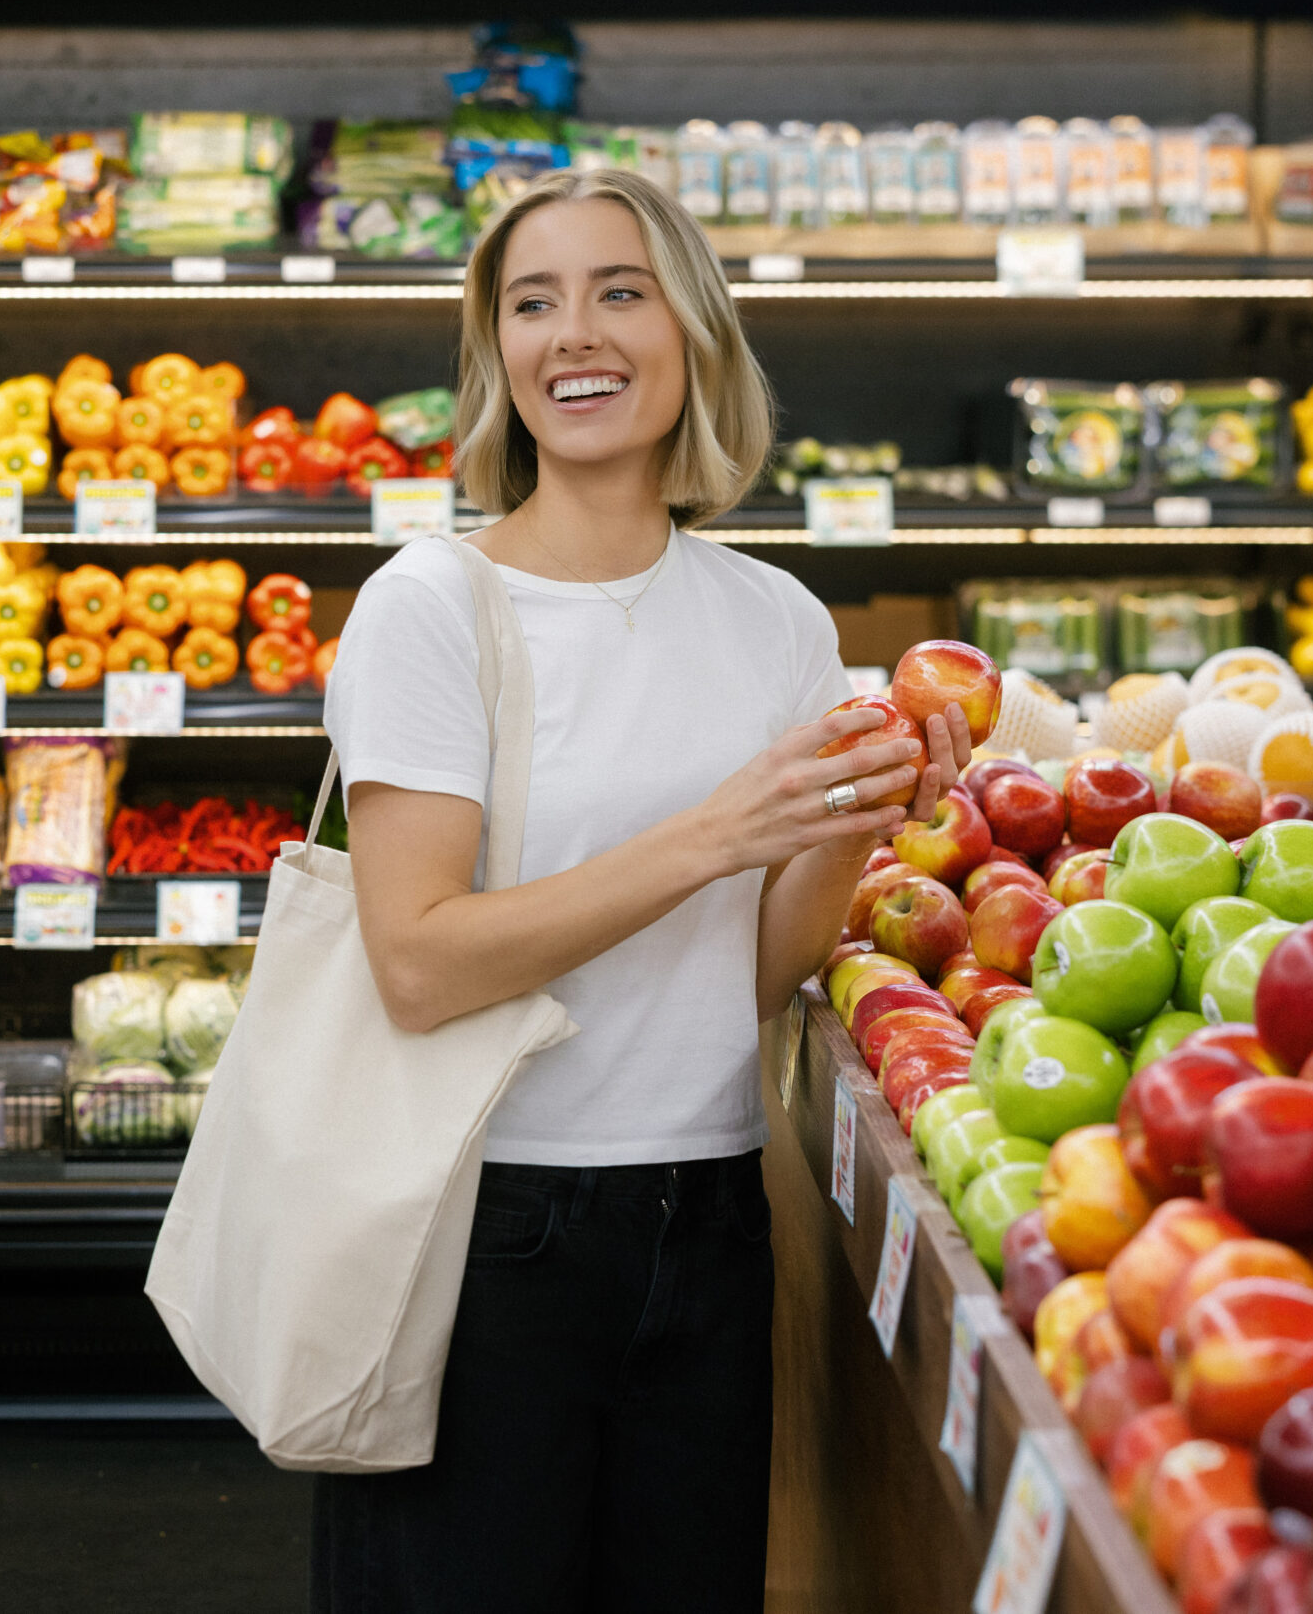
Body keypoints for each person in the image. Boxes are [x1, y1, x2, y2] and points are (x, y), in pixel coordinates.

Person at [312, 164, 967, 1611]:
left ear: (694, 334)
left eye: (620, 291)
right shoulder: (433, 607)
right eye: (531, 304)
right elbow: (417, 961)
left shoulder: (775, 620)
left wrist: (861, 821)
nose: (574, 334)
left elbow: (742, 971)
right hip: (483, 1228)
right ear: (499, 357)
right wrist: (717, 831)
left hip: (713, 1213)